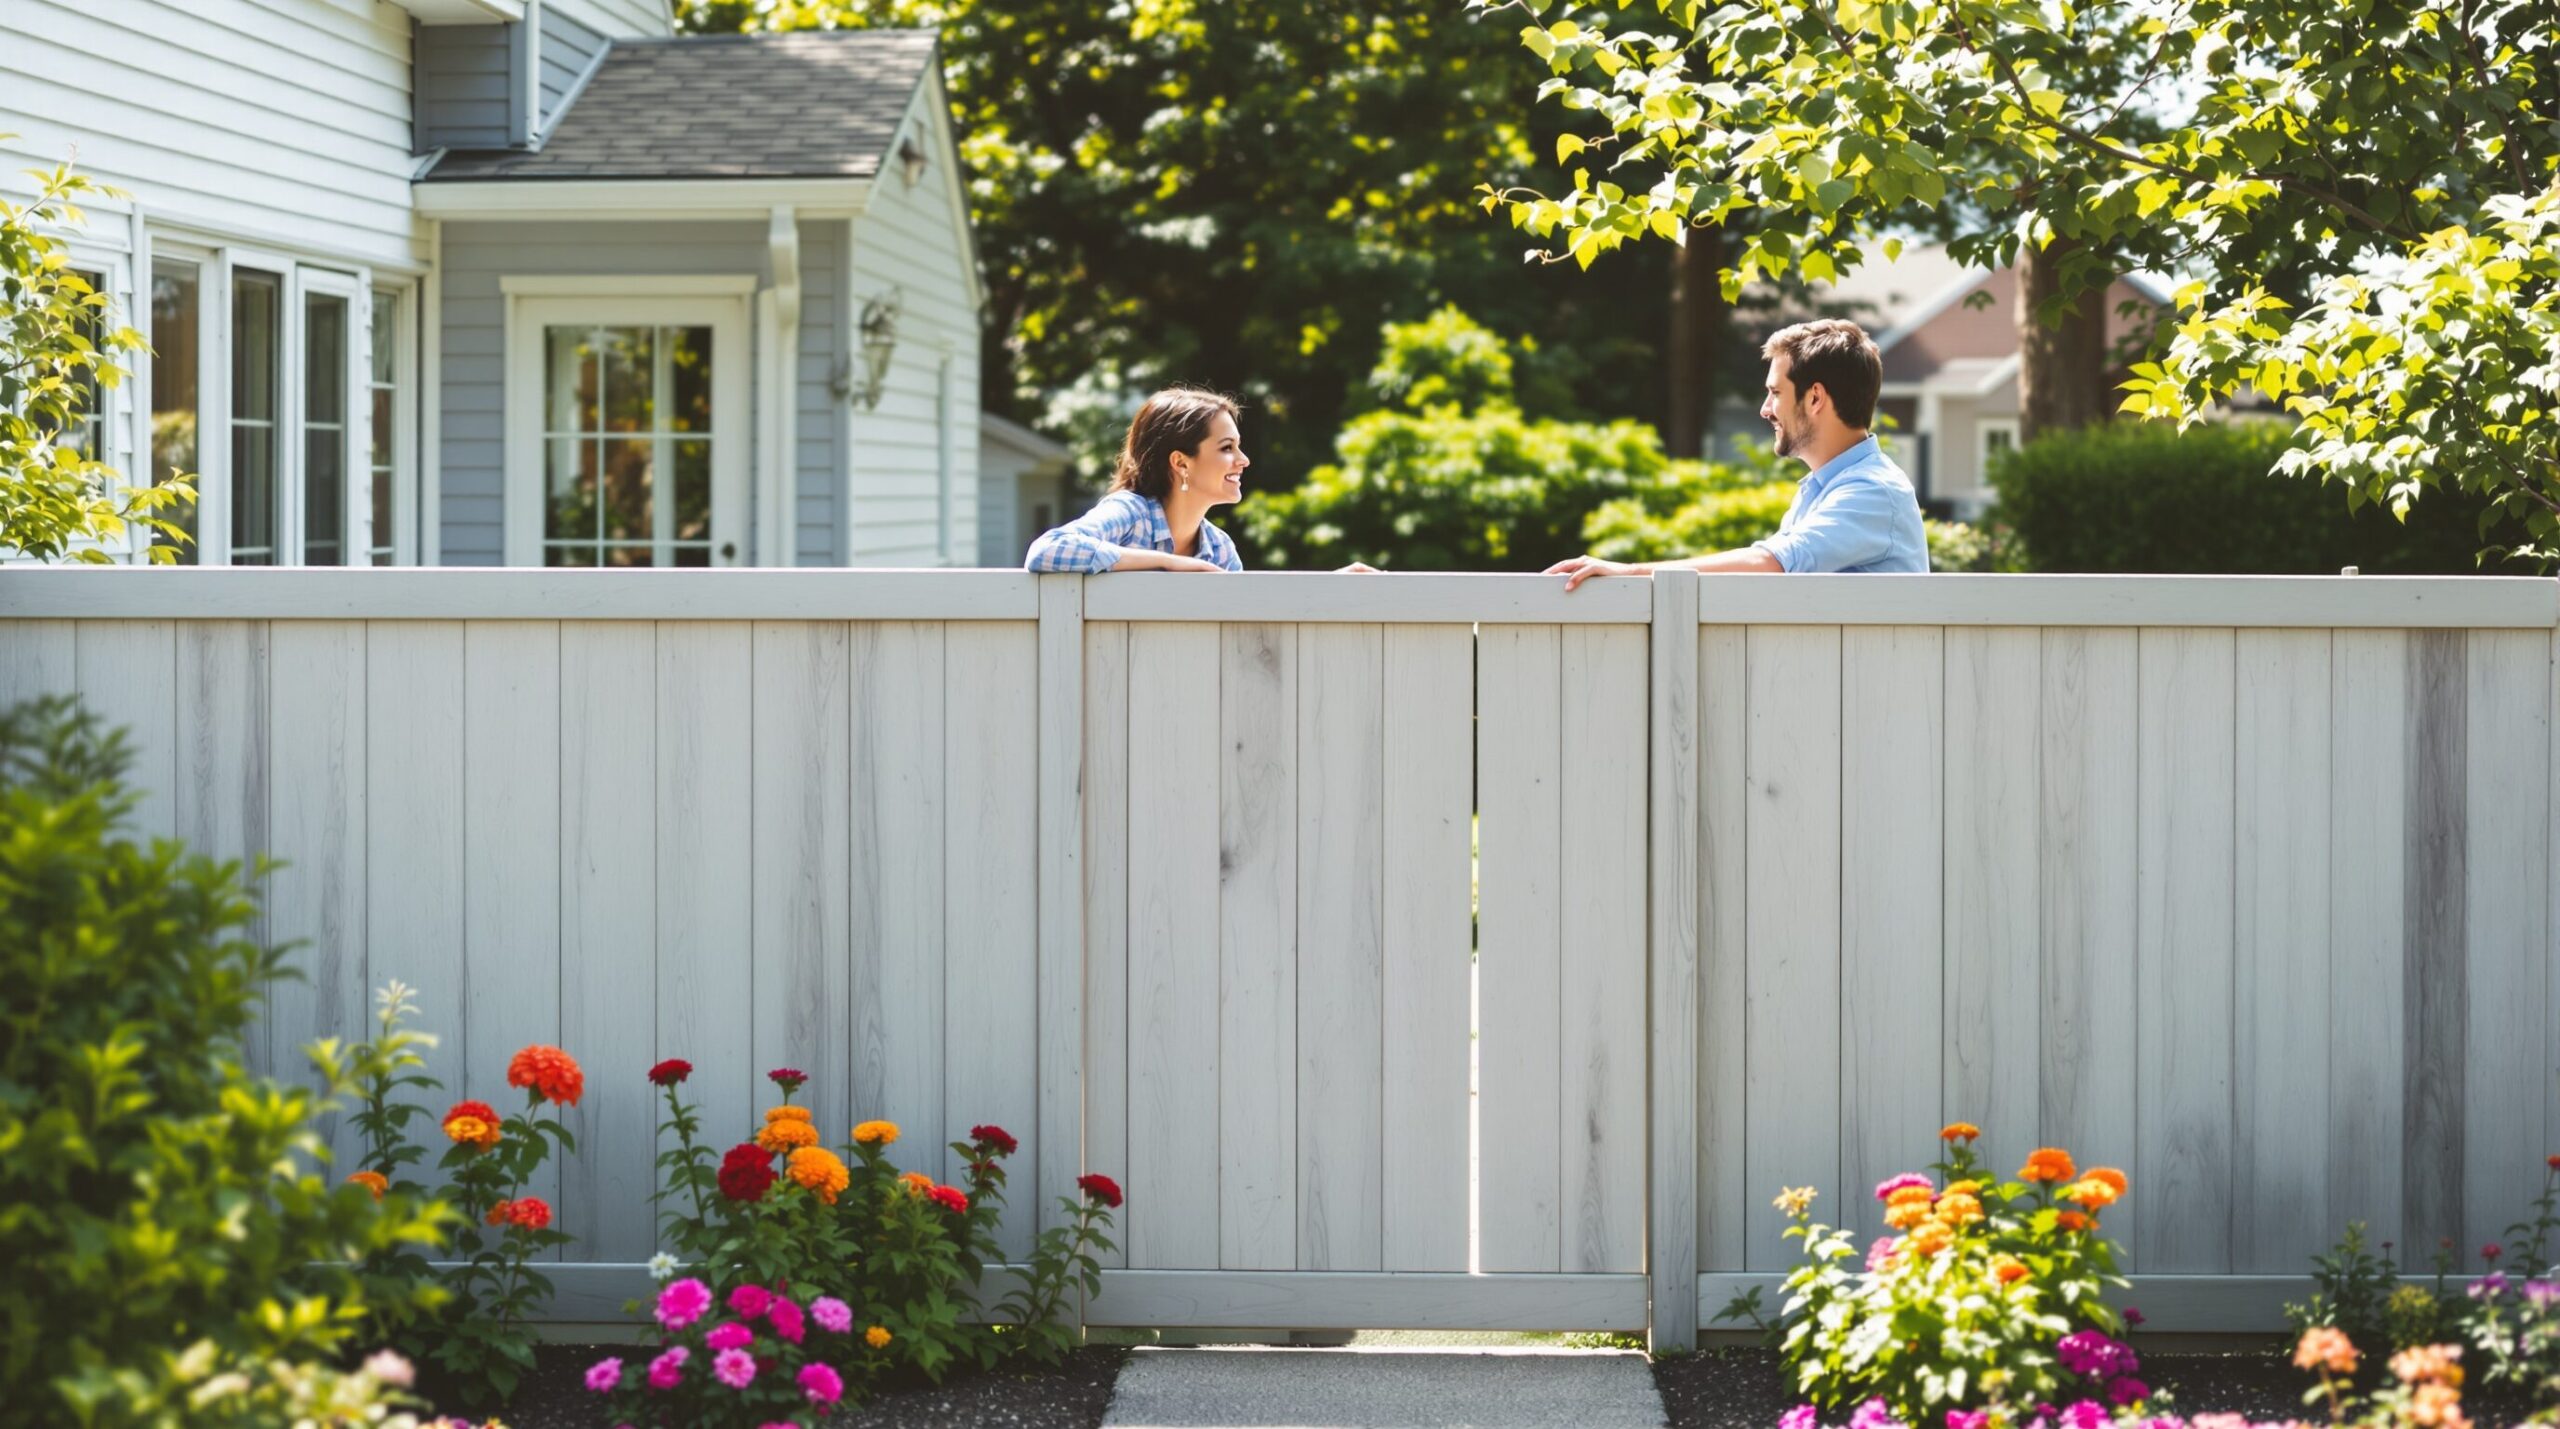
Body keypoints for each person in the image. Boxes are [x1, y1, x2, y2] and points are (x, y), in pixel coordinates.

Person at [1545, 318, 1928, 588]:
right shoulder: (1824, 487)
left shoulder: (1872, 491)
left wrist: (1629, 573)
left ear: (1814, 398)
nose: (1765, 409)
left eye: (1775, 393)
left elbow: (1774, 563)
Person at [1023, 386, 1252, 573]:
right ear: (1181, 463)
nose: (1244, 460)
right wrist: (1169, 562)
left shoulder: (1220, 549)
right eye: (1227, 447)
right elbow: (1047, 549)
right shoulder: (1130, 514)